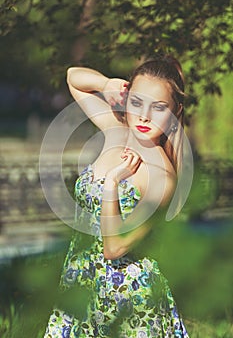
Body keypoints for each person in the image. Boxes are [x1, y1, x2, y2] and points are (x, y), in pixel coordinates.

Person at [44, 54, 189, 337]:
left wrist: (112, 184)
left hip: (129, 301)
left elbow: (115, 247)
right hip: (81, 284)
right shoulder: (114, 129)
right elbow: (73, 76)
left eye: (159, 108)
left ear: (175, 112)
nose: (144, 116)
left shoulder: (161, 175)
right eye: (137, 103)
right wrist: (107, 83)